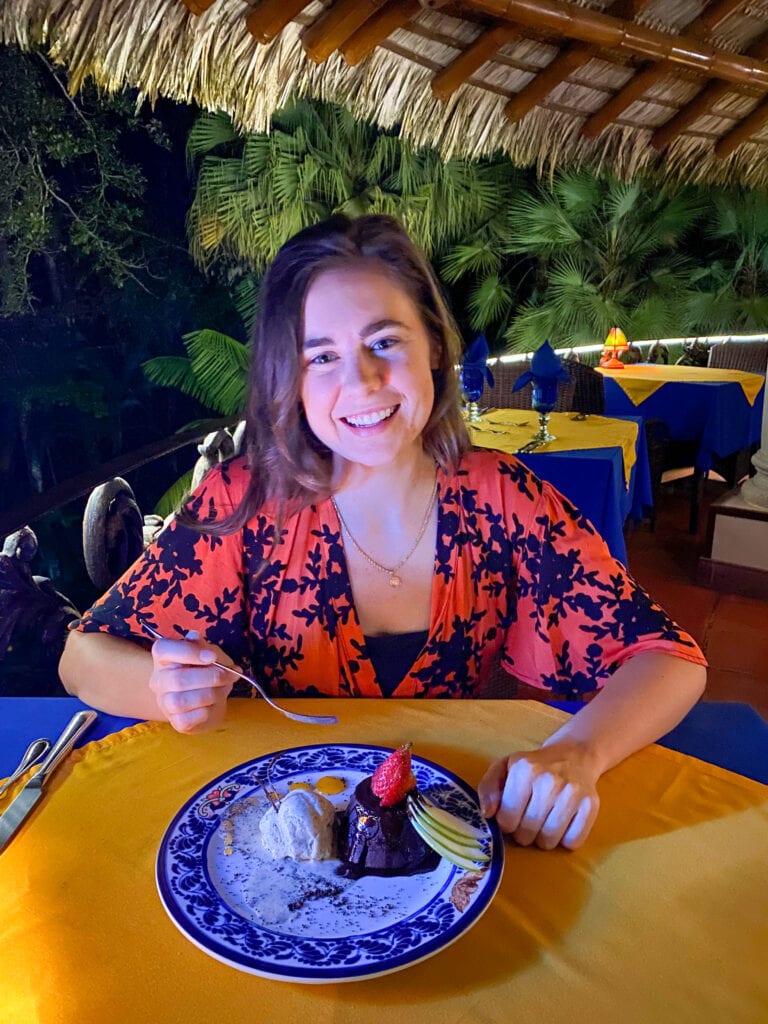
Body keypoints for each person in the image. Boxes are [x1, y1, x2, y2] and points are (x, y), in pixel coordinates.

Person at [60, 214, 707, 851]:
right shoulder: (247, 501)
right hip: (273, 847)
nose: (361, 380)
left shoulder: (503, 500)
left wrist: (578, 752)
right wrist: (163, 687)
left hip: (444, 844)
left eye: (384, 342)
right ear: (291, 379)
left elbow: (669, 662)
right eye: (321, 356)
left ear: (432, 346)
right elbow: (82, 657)